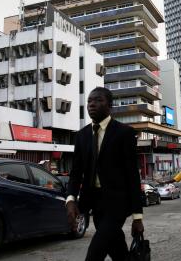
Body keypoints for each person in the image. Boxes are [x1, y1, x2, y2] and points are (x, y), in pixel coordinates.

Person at [66, 87, 143, 261]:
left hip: (118, 204)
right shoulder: (82, 135)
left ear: (110, 105)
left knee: (94, 254)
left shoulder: (125, 133)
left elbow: (132, 176)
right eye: (89, 101)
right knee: (118, 251)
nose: (92, 104)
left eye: (98, 100)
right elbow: (76, 172)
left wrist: (137, 217)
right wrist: (70, 199)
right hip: (95, 204)